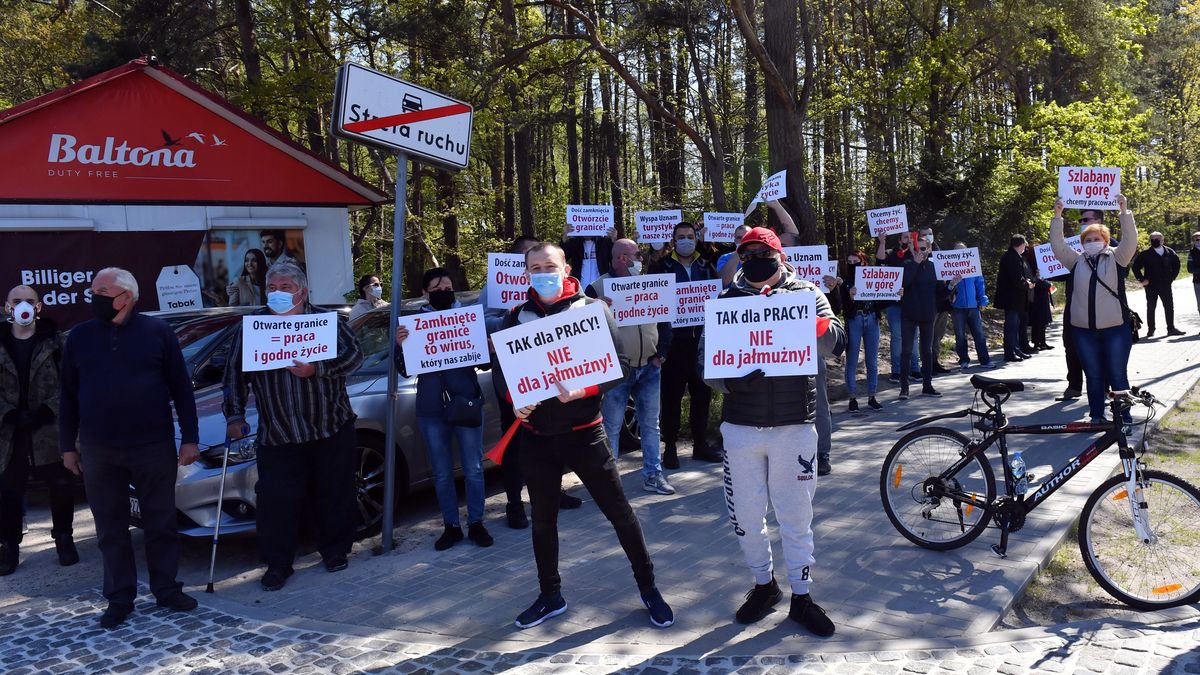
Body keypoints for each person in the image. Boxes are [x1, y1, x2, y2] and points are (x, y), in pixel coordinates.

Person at [494, 242, 673, 630]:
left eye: (549, 265)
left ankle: (649, 588)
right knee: (543, 522)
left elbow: (620, 367)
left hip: (585, 434)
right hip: (536, 437)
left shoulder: (593, 310)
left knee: (621, 515)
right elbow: (503, 373)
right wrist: (514, 401)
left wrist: (583, 390)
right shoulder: (515, 317)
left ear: (566, 268)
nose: (543, 272)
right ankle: (549, 595)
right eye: (535, 267)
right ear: (526, 273)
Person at [701, 227, 844, 636]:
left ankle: (802, 595)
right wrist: (730, 382)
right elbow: (705, 365)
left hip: (794, 426)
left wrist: (806, 320)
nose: (756, 258)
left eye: (764, 251)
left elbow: (838, 345)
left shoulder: (810, 294)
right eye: (747, 254)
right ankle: (764, 586)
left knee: (796, 517)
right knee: (746, 516)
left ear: (779, 255)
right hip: (742, 428)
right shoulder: (726, 301)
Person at [59, 268, 199, 628]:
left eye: (101, 291)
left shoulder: (158, 332)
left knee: (161, 522)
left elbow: (181, 388)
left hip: (152, 445)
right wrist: (67, 446)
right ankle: (119, 597)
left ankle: (166, 589)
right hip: (98, 448)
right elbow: (68, 396)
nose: (93, 297)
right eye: (92, 290)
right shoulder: (80, 336)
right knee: (110, 528)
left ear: (125, 296)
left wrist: (190, 438)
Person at [223, 261, 363, 591]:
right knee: (276, 501)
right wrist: (234, 416)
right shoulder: (253, 328)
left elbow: (355, 357)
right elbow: (234, 375)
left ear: (303, 290)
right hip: (279, 433)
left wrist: (319, 369)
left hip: (330, 427)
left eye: (286, 288)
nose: (278, 293)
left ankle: (335, 551)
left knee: (334, 493)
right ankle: (278, 564)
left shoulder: (327, 322)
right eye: (272, 288)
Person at [484, 236, 582, 529]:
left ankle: (557, 491)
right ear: (521, 266)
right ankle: (514, 505)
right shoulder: (498, 295)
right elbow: (483, 325)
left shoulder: (574, 302)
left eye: (546, 264)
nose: (541, 271)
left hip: (556, 387)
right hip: (520, 392)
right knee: (515, 450)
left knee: (555, 444)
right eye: (530, 261)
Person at [396, 269, 491, 550]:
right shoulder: (413, 324)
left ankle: (476, 523)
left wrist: (486, 348)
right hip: (431, 407)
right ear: (425, 293)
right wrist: (401, 346)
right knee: (441, 472)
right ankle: (451, 526)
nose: (443, 292)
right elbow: (403, 370)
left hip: (467, 402)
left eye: (448, 287)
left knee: (473, 467)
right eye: (437, 288)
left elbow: (485, 365)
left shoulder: (469, 319)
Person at [586, 240, 674, 495]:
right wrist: (595, 307)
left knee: (650, 424)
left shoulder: (650, 282)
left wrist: (663, 354)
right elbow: (582, 331)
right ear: (623, 258)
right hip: (617, 371)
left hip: (650, 366)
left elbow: (665, 320)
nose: (641, 259)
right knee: (611, 426)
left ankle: (653, 476)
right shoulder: (595, 288)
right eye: (637, 255)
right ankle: (610, 485)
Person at [2, 286, 77, 576]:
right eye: (17, 302)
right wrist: (7, 413)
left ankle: (64, 538)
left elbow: (69, 382)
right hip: (8, 433)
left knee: (60, 484)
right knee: (8, 491)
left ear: (39, 307)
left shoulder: (55, 342)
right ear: (7, 308)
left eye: (29, 302)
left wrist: (48, 409)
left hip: (47, 430)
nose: (23, 306)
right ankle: (8, 546)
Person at [1051, 196, 1138, 425]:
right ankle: (1097, 416)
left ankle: (1124, 419)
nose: (1092, 241)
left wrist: (1124, 211)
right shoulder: (1076, 261)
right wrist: (1058, 216)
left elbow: (1130, 240)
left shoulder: (1117, 258)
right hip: (1083, 332)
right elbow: (1057, 245)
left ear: (1106, 240)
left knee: (1117, 375)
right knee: (1094, 376)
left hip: (1116, 330)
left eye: (1096, 238)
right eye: (1087, 239)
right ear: (1081, 243)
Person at [652, 222, 722, 467]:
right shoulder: (661, 267)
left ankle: (700, 445)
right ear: (673, 240)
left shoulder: (706, 265)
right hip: (673, 343)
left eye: (690, 236)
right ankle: (669, 448)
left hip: (702, 342)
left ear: (696, 238)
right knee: (670, 397)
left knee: (702, 394)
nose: (685, 240)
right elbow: (653, 303)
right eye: (681, 237)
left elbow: (717, 298)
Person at [838, 251, 883, 412]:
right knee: (852, 359)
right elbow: (841, 304)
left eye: (855, 260)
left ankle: (872, 396)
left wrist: (896, 294)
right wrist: (850, 296)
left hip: (872, 318)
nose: (852, 264)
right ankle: (852, 398)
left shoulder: (872, 277)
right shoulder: (844, 282)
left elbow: (883, 297)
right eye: (849, 261)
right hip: (854, 320)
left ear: (863, 262)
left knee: (872, 361)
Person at [899, 240, 944, 398]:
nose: (920, 251)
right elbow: (903, 283)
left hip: (927, 314)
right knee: (906, 351)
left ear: (930, 248)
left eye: (923, 248)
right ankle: (904, 388)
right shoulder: (905, 264)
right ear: (912, 248)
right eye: (917, 248)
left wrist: (952, 285)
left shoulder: (934, 267)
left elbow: (941, 291)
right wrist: (915, 263)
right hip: (909, 314)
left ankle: (927, 385)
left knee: (927, 351)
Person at [876, 231, 920, 382]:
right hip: (894, 303)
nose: (909, 239)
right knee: (897, 337)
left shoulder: (916, 253)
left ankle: (915, 369)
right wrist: (882, 242)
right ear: (900, 240)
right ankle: (897, 371)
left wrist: (915, 249)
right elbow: (880, 260)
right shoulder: (892, 253)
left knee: (914, 336)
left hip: (913, 301)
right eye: (906, 237)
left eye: (911, 237)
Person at [947, 243, 995, 370]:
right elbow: (945, 287)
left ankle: (985, 360)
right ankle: (963, 360)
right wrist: (950, 286)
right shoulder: (948, 267)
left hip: (973, 306)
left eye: (963, 251)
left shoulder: (973, 266)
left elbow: (980, 284)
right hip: (957, 307)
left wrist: (983, 301)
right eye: (957, 251)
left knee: (979, 334)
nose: (961, 253)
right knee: (960, 335)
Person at [1132, 230, 1184, 337]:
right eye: (1153, 239)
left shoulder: (1170, 252)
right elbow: (1135, 267)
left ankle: (1171, 328)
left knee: (1169, 307)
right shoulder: (1145, 254)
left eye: (1157, 239)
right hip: (1151, 285)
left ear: (1162, 240)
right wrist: (1142, 279)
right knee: (1151, 307)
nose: (1155, 241)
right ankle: (1151, 329)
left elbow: (1177, 265)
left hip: (1165, 285)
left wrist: (1172, 278)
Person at [995, 235, 1034, 362]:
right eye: (1025, 244)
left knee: (1015, 326)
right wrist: (1028, 284)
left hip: (1015, 299)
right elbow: (1016, 279)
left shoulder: (1014, 256)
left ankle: (1016, 349)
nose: (1026, 247)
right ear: (1021, 244)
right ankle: (1010, 352)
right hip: (1012, 299)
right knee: (1011, 327)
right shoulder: (1011, 257)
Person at [918, 227, 952, 374]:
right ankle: (926, 364)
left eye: (930, 234)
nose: (927, 237)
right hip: (926, 303)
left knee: (938, 335)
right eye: (924, 235)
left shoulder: (941, 254)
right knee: (927, 336)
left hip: (942, 301)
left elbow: (950, 273)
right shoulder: (918, 254)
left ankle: (935, 362)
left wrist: (952, 291)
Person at [1030, 269, 1055, 351]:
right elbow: (1040, 284)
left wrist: (1045, 280)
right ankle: (1036, 343)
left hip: (1044, 301)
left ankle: (1043, 342)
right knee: (1037, 323)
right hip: (1036, 302)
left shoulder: (1044, 275)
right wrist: (1038, 278)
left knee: (1043, 323)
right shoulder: (1034, 276)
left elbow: (1048, 285)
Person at [1188, 232, 1200, 320]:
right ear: (1194, 241)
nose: (1199, 241)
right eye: (1197, 239)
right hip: (1198, 282)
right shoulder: (1191, 253)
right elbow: (1190, 269)